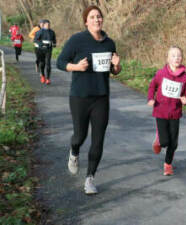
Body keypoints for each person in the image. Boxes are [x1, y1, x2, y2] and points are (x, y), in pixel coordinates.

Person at [56, 5, 121, 195]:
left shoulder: (109, 43)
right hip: (80, 96)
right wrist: (76, 67)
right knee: (79, 136)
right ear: (86, 21)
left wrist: (117, 66)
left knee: (98, 139)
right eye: (92, 17)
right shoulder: (77, 40)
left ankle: (90, 178)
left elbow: (114, 70)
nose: (96, 20)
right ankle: (74, 151)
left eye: (99, 16)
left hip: (101, 97)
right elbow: (60, 62)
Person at [147, 46, 186, 176]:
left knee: (174, 143)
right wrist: (151, 98)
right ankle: (158, 140)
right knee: (165, 141)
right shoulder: (161, 73)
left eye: (179, 55)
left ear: (182, 58)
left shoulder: (185, 78)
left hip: (175, 113)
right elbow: (152, 86)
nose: (176, 58)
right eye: (173, 55)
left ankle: (168, 164)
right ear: (168, 59)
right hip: (160, 111)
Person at [34, 20, 56, 85]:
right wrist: (41, 44)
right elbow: (35, 40)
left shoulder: (52, 32)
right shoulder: (39, 32)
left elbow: (54, 39)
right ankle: (43, 76)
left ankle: (48, 79)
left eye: (49, 25)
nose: (48, 26)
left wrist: (54, 44)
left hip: (48, 49)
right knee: (42, 63)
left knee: (48, 63)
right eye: (47, 25)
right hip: (40, 50)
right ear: (43, 25)